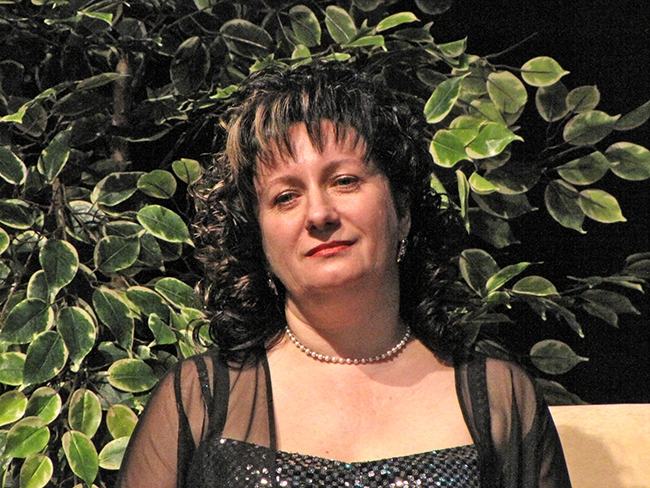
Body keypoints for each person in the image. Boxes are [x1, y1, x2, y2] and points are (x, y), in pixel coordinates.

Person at [116, 61, 572, 487]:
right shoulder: (197, 401)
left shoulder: (500, 398)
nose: (319, 214)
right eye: (285, 197)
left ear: (403, 210)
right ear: (257, 237)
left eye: (345, 181)